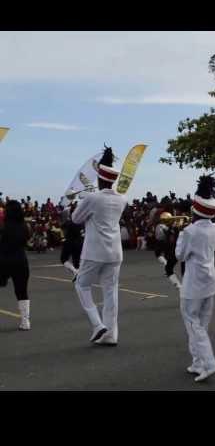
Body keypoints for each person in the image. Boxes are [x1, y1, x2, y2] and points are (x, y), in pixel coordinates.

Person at [72, 146, 128, 345]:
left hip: (94, 251)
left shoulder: (93, 198)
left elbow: (75, 218)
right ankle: (111, 335)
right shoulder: (122, 199)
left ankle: (97, 325)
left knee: (81, 285)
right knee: (111, 292)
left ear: (99, 178)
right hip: (114, 252)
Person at [175, 175, 215, 382]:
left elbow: (180, 256)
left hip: (193, 283)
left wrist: (179, 234)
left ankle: (209, 363)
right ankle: (198, 362)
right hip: (210, 281)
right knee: (201, 324)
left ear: (195, 209)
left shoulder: (189, 231)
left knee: (193, 324)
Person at [0, 200, 32, 330]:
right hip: (21, 260)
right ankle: (25, 322)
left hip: (3, 261)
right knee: (22, 292)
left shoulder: (3, 226)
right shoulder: (25, 226)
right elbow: (27, 241)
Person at [60, 201, 84, 280]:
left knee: (63, 259)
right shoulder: (82, 222)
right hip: (80, 243)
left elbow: (62, 226)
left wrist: (67, 218)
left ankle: (74, 271)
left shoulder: (69, 222)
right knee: (76, 262)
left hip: (70, 242)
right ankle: (78, 276)